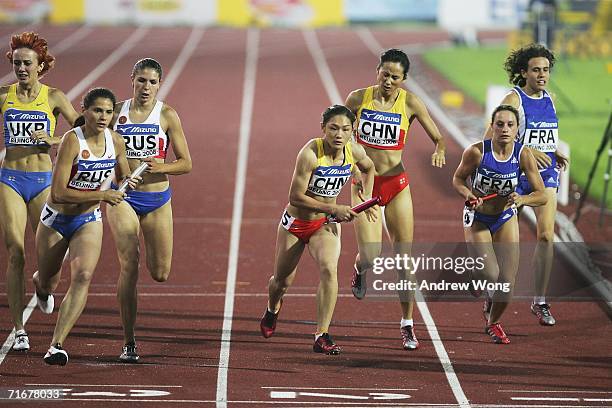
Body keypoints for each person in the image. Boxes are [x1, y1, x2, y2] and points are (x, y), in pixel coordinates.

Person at [344, 48, 446, 350]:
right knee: (372, 257)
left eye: (395, 77)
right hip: (365, 186)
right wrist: (348, 160)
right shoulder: (356, 99)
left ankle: (407, 323)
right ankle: (360, 269)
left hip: (397, 184)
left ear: (404, 79)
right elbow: (338, 134)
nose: (388, 80)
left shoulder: (411, 103)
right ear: (377, 70)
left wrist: (439, 149)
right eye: (385, 73)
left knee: (404, 258)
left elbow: (438, 137)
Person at [32, 87, 137, 365]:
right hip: (57, 219)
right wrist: (103, 194)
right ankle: (40, 285)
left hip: (88, 220)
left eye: (109, 111)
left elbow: (123, 173)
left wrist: (130, 179)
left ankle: (56, 345)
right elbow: (58, 193)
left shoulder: (116, 140)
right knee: (48, 279)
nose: (104, 116)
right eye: (97, 111)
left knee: (83, 275)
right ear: (85, 111)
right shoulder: (71, 141)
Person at [260, 105, 376, 355]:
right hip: (296, 223)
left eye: (346, 129)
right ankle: (272, 308)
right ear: (323, 128)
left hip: (324, 225)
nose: (339, 134)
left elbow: (369, 168)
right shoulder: (310, 153)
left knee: (329, 269)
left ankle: (321, 334)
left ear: (352, 131)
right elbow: (295, 196)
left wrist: (364, 195)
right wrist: (333, 208)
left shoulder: (354, 151)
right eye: (333, 128)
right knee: (281, 281)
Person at [107, 58, 192, 363]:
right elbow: (83, 137)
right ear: (132, 79)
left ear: (160, 84)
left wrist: (163, 165)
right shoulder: (115, 112)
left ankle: (130, 338)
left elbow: (186, 163)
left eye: (152, 82)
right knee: (130, 262)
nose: (146, 87)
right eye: (141, 80)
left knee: (160, 273)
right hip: (122, 197)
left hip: (157, 198)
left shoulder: (167, 115)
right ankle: (129, 341)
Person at [0, 32, 79, 351]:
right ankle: (19, 329)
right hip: (11, 180)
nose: (21, 68)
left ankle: (43, 288)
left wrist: (55, 139)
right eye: (16, 63)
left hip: (44, 183)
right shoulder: (4, 94)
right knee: (15, 252)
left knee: (50, 257)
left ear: (40, 65)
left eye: (27, 63)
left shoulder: (55, 97)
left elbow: (82, 131)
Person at [485, 44, 568, 326]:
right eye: (536, 69)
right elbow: (491, 138)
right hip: (515, 175)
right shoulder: (514, 98)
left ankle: (540, 301)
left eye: (546, 69)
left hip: (545, 176)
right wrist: (528, 152)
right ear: (524, 72)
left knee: (546, 236)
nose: (542, 74)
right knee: (505, 241)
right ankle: (495, 289)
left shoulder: (551, 99)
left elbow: (544, 137)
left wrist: (552, 152)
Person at [454, 104, 547, 344]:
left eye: (510, 125)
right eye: (500, 124)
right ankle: (477, 275)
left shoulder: (523, 154)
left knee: (507, 281)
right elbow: (458, 179)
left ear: (517, 129)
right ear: (492, 126)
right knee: (490, 273)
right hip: (478, 218)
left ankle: (493, 322)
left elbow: (542, 194)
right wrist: (467, 194)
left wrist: (523, 198)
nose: (505, 129)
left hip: (505, 217)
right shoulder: (476, 152)